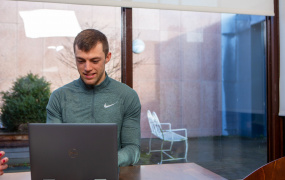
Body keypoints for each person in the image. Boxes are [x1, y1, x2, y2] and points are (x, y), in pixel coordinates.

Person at [46, 29, 141, 167]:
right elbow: (53, 148)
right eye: (81, 60)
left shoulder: (127, 96)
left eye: (94, 60)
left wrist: (107, 161)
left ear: (107, 57)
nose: (87, 68)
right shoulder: (59, 97)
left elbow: (133, 149)